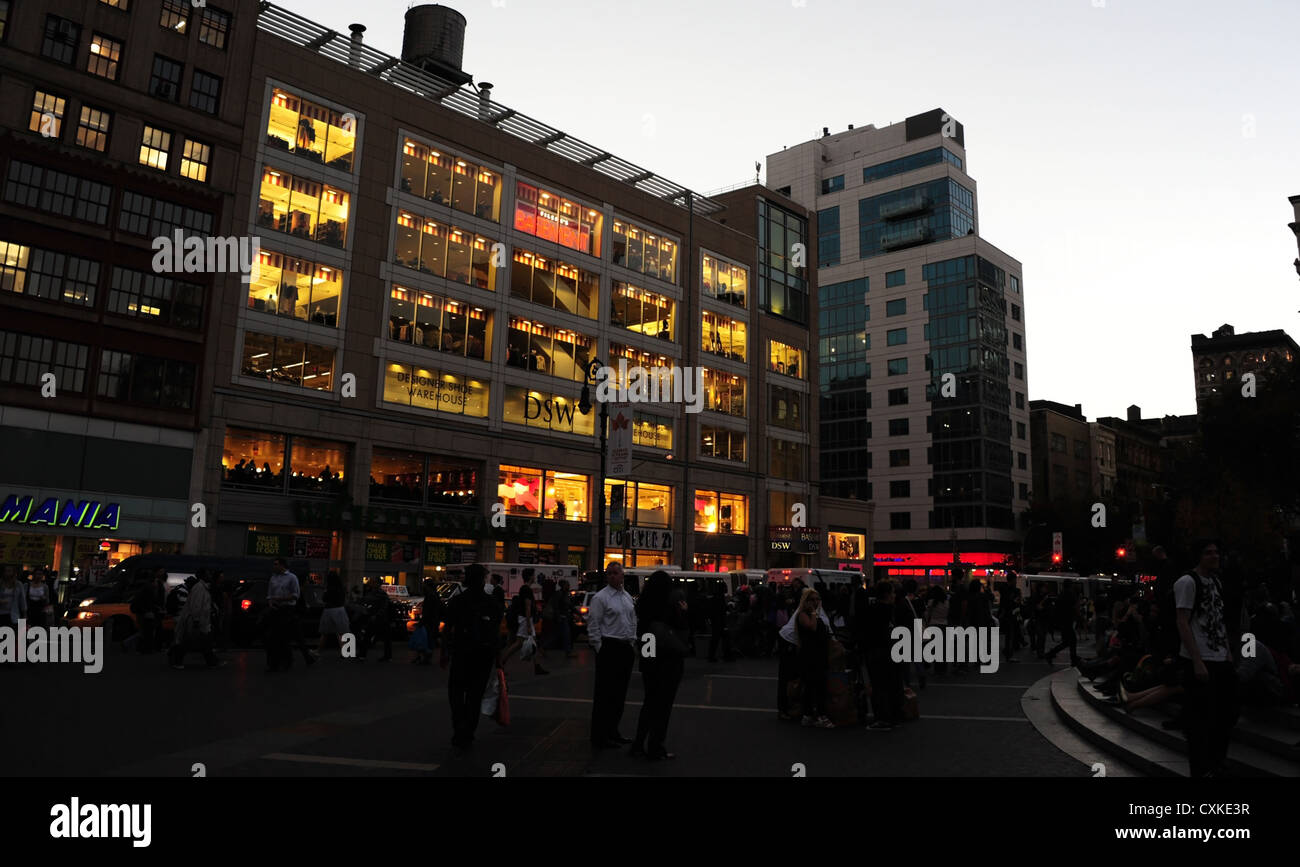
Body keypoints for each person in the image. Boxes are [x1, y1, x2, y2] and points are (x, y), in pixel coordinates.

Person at [1175, 540, 1238, 777]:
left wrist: (1228, 651)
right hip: (1201, 659)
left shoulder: (1216, 582)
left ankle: (1216, 760)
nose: (1215, 556)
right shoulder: (1187, 582)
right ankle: (1201, 769)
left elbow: (1217, 618)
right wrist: (1196, 659)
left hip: (1220, 657)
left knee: (1227, 713)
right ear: (1199, 557)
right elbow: (1182, 621)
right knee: (1200, 719)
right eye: (1209, 553)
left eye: (1216, 552)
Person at [442, 563, 504, 750]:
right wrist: (498, 658)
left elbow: (447, 628)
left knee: (456, 692)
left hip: (462, 652)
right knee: (475, 695)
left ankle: (459, 726)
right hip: (483, 654)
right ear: (483, 579)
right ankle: (469, 730)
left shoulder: (457, 601)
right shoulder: (493, 603)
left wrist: (444, 652)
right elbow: (496, 634)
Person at [631, 571, 687, 760]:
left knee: (649, 704)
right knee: (663, 707)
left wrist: (648, 662)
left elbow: (644, 639)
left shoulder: (644, 606)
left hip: (651, 661)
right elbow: (681, 631)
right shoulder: (670, 606)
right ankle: (656, 745)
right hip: (669, 662)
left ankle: (638, 744)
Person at [588, 562, 637, 748]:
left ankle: (613, 731)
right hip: (609, 647)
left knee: (619, 694)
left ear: (622, 575)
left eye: (615, 573)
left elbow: (633, 620)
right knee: (604, 695)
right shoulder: (601, 598)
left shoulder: (626, 597)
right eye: (609, 574)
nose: (612, 576)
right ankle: (600, 736)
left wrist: (631, 641)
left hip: (624, 648)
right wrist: (599, 648)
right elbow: (593, 624)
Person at [865, 581, 903, 729]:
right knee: (891, 685)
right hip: (890, 650)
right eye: (892, 592)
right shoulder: (892, 610)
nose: (894, 595)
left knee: (880, 686)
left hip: (878, 651)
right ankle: (893, 716)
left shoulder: (873, 610)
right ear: (887, 594)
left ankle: (883, 717)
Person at [795, 588, 834, 728]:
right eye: (812, 599)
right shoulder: (803, 615)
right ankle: (812, 714)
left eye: (817, 599)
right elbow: (812, 627)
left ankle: (813, 714)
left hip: (820, 655)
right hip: (809, 656)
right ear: (806, 601)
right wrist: (812, 611)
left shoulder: (818, 615)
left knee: (820, 685)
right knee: (811, 685)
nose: (816, 602)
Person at [265, 558, 311, 672]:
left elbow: (295, 595)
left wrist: (279, 599)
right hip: (276, 609)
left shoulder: (292, 578)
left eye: (276, 564)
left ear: (282, 566)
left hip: (287, 609)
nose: (274, 566)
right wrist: (271, 602)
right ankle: (277, 662)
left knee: (282, 636)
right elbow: (270, 594)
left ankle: (281, 662)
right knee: (274, 637)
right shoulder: (273, 578)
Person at [169, 575, 223, 670]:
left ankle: (211, 661)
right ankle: (211, 661)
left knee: (195, 641)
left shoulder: (196, 589)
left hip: (194, 620)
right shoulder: (201, 590)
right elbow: (197, 606)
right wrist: (196, 620)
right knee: (196, 641)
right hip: (198, 620)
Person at [500, 583, 548, 674]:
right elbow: (528, 607)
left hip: (525, 620)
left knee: (532, 643)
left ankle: (537, 666)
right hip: (526, 620)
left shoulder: (524, 589)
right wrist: (529, 625)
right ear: (531, 577)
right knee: (518, 643)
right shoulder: (527, 590)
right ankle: (502, 662)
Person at [1043, 585, 1081, 667]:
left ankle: (1051, 654)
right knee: (1071, 641)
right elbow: (1074, 608)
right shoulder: (1070, 595)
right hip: (1067, 622)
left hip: (1062, 622)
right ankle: (1073, 659)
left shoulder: (1061, 595)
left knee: (1067, 642)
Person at [360, 578, 394, 662]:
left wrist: (375, 614)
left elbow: (383, 606)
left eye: (374, 582)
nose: (372, 584)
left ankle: (362, 654)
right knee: (384, 638)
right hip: (379, 618)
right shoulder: (375, 593)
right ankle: (387, 656)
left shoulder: (379, 593)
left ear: (378, 584)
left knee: (368, 636)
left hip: (379, 618)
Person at [318, 571, 350, 656]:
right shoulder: (341, 588)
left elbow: (324, 599)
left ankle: (318, 651)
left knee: (325, 633)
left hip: (329, 610)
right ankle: (344, 652)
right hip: (340, 610)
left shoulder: (329, 588)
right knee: (341, 633)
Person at [707, 583, 730, 662]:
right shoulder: (720, 598)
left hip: (715, 621)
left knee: (715, 639)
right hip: (719, 621)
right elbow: (722, 610)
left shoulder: (714, 597)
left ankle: (712, 655)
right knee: (723, 638)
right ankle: (725, 655)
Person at [0, 568, 27, 633]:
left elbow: (22, 600)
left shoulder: (18, 584)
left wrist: (24, 614)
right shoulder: (0, 583)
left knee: (11, 634)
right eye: (6, 571)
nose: (7, 573)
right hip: (1, 613)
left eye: (9, 571)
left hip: (14, 613)